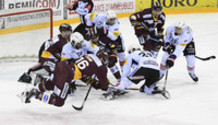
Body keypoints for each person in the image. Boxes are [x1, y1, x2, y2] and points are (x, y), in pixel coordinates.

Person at [19, 53, 110, 107]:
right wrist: (102, 86)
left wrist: (93, 83)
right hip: (67, 74)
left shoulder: (89, 55)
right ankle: (37, 95)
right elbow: (104, 86)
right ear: (104, 60)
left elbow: (83, 74)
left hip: (61, 65)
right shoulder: (101, 67)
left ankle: (31, 91)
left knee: (50, 84)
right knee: (59, 101)